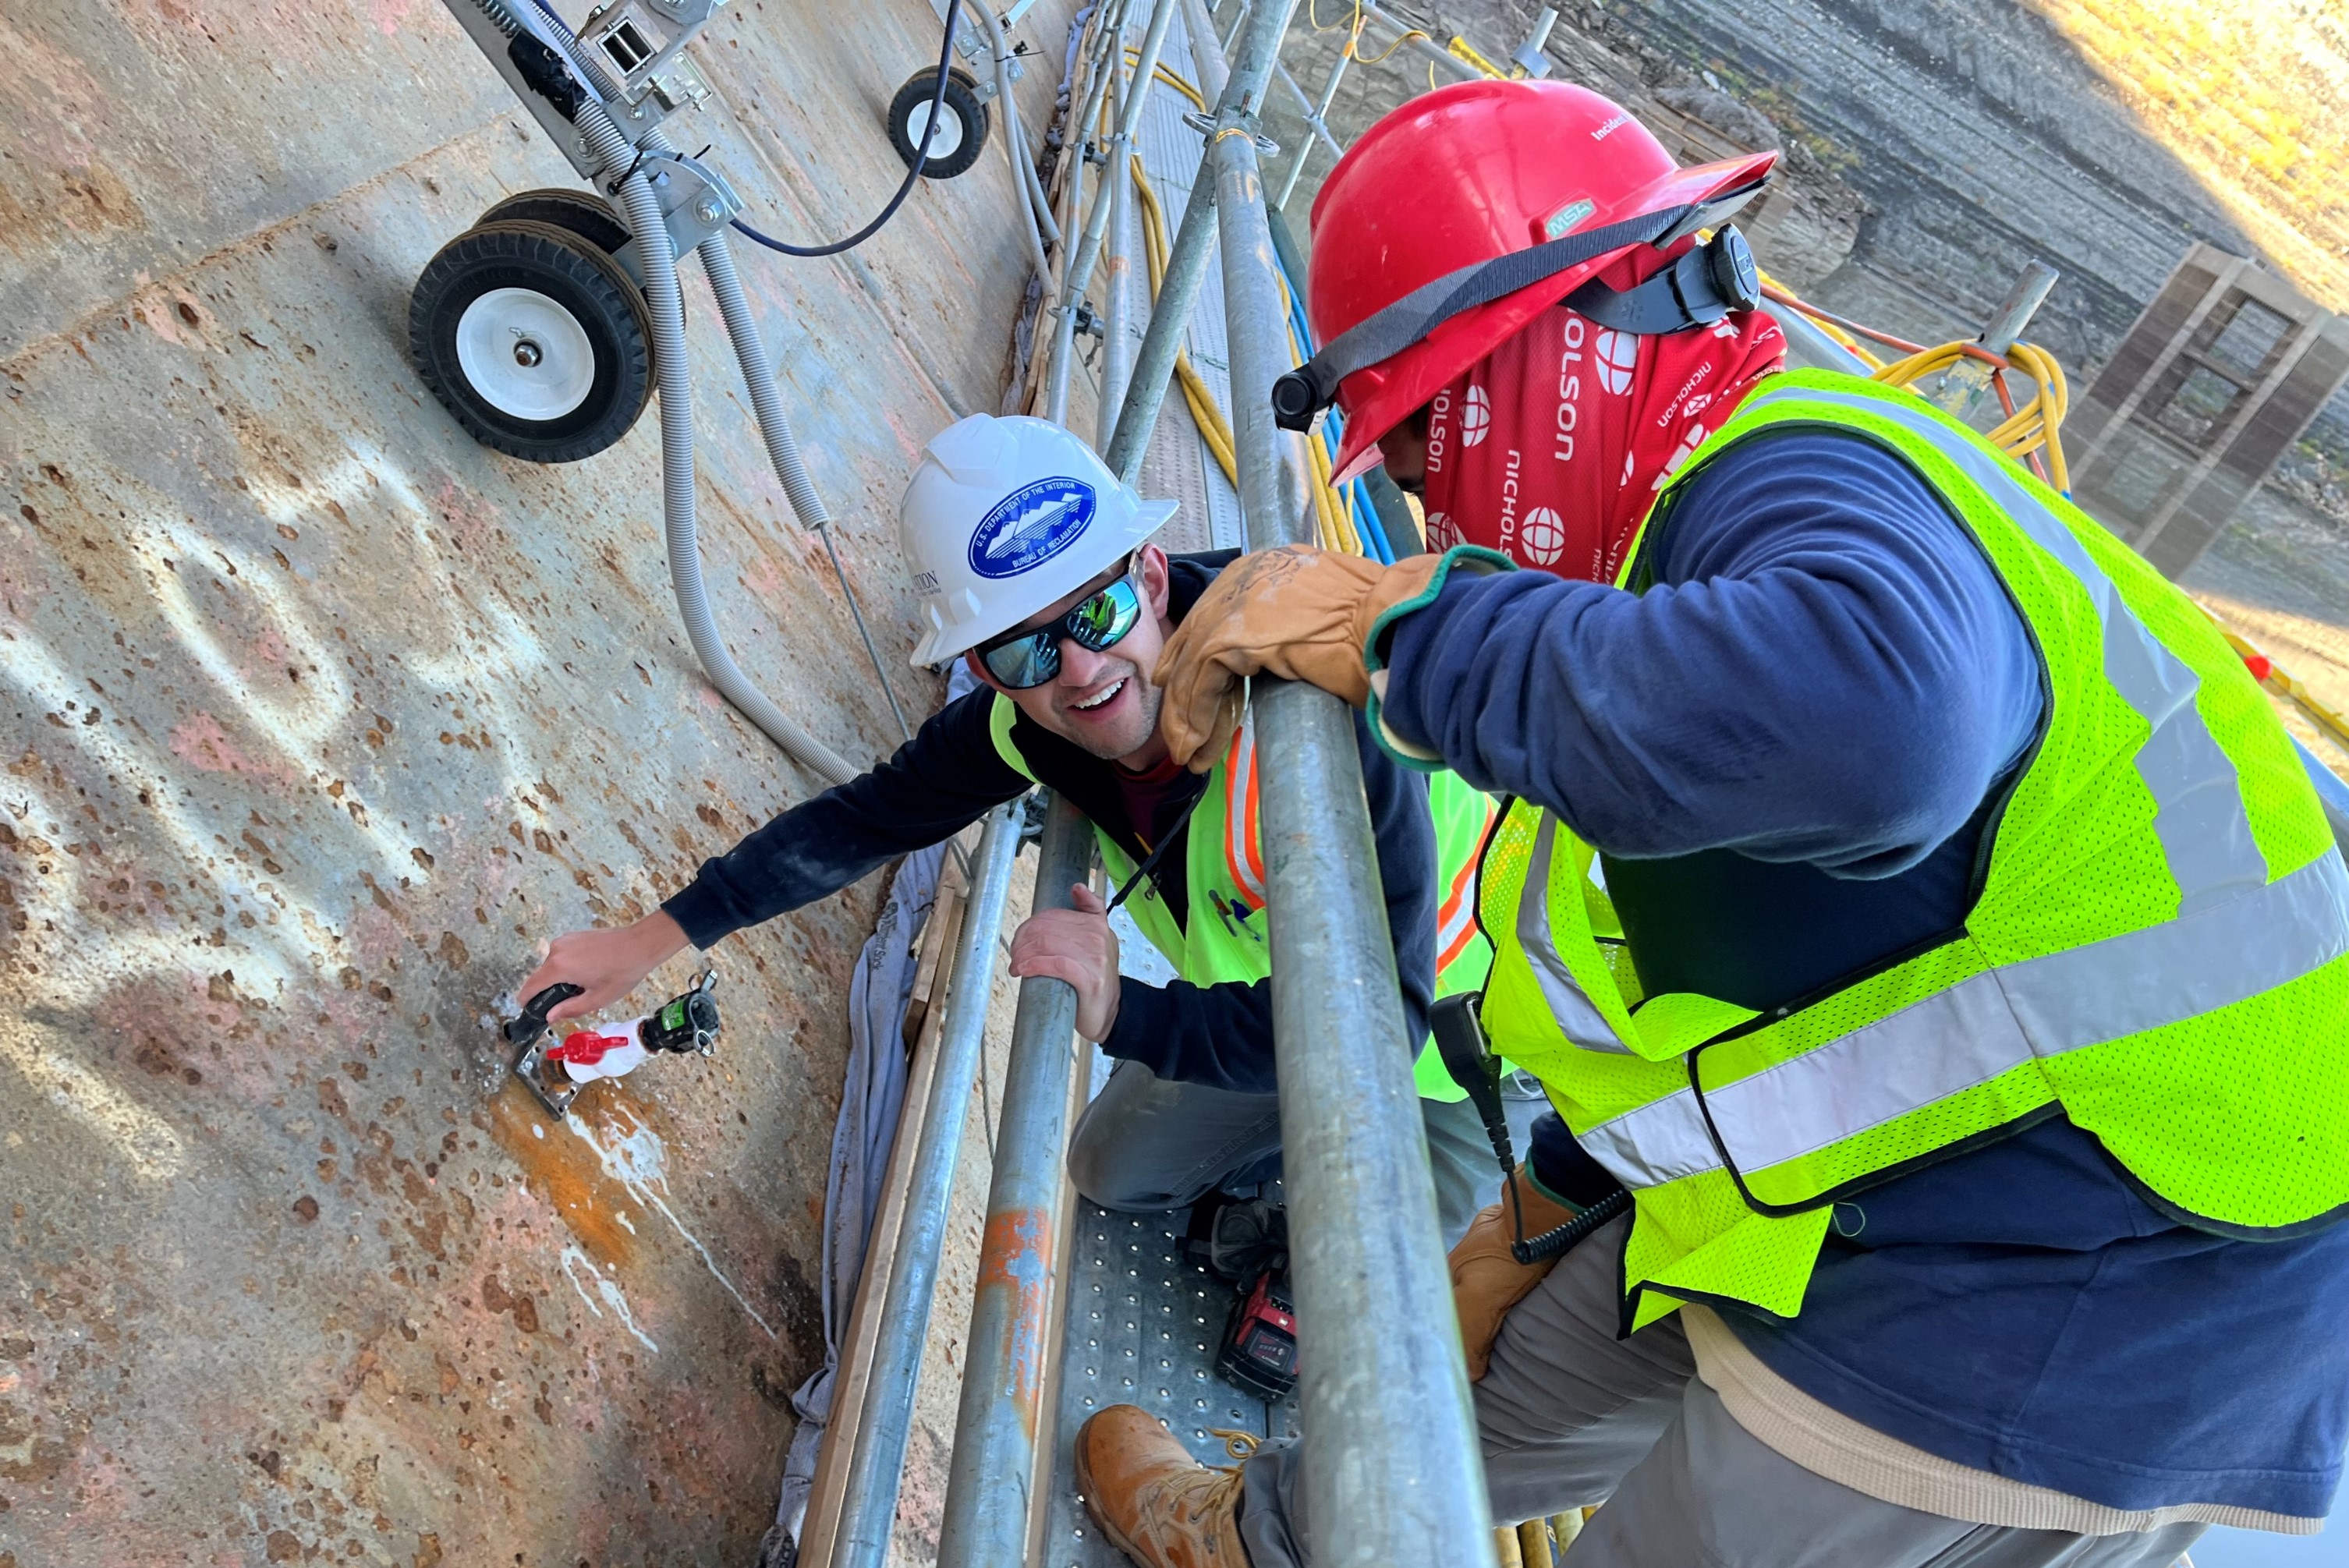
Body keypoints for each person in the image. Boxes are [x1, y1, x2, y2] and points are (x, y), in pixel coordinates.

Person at [1070, 80, 2349, 1568]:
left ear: (1546, 349)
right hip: (1852, 1176)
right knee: (1490, 1381)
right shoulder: (1687, 549)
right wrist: (1525, 1223)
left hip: (2103, 1275)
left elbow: (1876, 728)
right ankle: (1264, 1537)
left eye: (1423, 457)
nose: (1431, 521)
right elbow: (1759, 997)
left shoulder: (1795, 478)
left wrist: (1413, 632)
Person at [519, 412, 1519, 1246]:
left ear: (1157, 579)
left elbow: (1369, 1024)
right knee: (1110, 1169)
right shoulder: (1025, 721)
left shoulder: (1322, 740)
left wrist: (1130, 1013)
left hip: (1443, 1049)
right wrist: (652, 939)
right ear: (986, 671)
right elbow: (866, 817)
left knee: (1360, 1283)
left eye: (1096, 611)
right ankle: (1262, 1137)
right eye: (1026, 649)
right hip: (1270, 1008)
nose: (1078, 671)